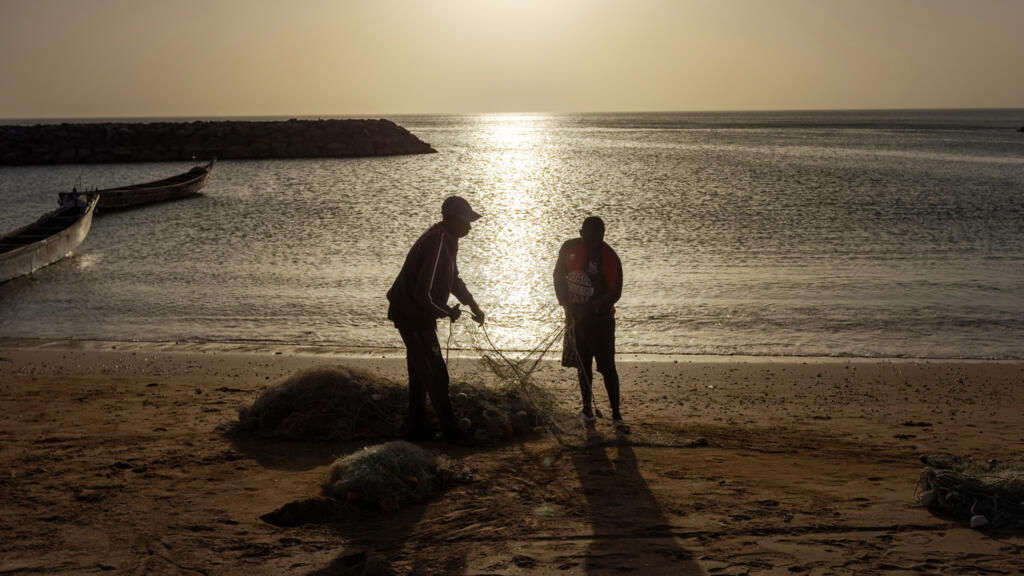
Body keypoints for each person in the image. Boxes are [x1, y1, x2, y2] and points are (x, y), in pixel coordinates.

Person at [387, 196, 486, 443]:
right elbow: (424, 295)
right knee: (435, 372)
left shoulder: (447, 239)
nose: (469, 227)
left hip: (416, 312)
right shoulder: (438, 243)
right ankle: (450, 430)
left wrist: (472, 304)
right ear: (451, 219)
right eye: (466, 222)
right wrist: (447, 312)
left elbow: (452, 279)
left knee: (420, 370)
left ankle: (417, 425)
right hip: (411, 314)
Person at [553, 216, 629, 434]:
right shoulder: (569, 248)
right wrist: (566, 304)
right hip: (575, 318)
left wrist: (592, 308)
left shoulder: (610, 258)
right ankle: (586, 409)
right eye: (589, 237)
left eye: (599, 237)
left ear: (604, 235)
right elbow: (558, 275)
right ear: (581, 233)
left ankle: (616, 416)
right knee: (583, 365)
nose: (594, 241)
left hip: (601, 322)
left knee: (607, 368)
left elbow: (615, 292)